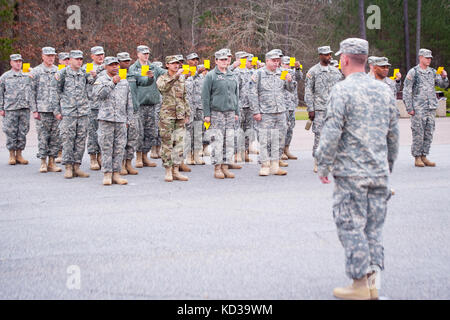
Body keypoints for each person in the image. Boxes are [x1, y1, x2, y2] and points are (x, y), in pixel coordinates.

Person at [316, 38, 400, 300]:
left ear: (344, 60)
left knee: (350, 225)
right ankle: (374, 284)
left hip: (352, 174)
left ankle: (359, 284)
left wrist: (323, 164)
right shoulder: (384, 90)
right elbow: (393, 135)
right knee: (373, 229)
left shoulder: (342, 91)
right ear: (366, 61)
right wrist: (386, 167)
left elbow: (331, 132)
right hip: (378, 174)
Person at [249, 49, 295, 176]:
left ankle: (275, 165)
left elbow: (290, 89)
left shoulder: (282, 72)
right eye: (273, 61)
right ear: (267, 60)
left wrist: (290, 80)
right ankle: (265, 165)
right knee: (265, 140)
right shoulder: (258, 74)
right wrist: (256, 111)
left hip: (280, 111)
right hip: (265, 112)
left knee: (279, 139)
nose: (276, 63)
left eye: (278, 61)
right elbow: (252, 93)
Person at [403, 48, 448, 167]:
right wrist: (409, 108)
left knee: (429, 132)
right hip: (418, 108)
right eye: (427, 57)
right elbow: (407, 91)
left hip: (431, 107)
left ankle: (424, 156)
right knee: (418, 132)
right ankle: (417, 157)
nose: (429, 60)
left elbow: (443, 85)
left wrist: (444, 77)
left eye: (430, 58)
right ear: (420, 58)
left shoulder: (433, 72)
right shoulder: (414, 72)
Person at [93, 56, 134, 185]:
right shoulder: (101, 80)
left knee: (119, 148)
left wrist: (129, 119)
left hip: (121, 120)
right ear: (106, 66)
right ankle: (107, 174)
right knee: (106, 148)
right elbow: (99, 95)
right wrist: (112, 82)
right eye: (112, 65)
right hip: (106, 119)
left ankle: (116, 174)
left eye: (116, 64)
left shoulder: (124, 81)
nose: (115, 67)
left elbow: (129, 102)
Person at [52, 50, 92, 179]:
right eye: (77, 59)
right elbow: (56, 92)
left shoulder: (84, 73)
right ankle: (68, 167)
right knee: (68, 140)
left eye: (81, 59)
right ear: (70, 60)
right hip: (68, 112)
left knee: (80, 140)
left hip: (83, 112)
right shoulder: (62, 73)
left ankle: (77, 167)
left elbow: (91, 85)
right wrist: (57, 111)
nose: (79, 61)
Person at [305, 46, 343, 173]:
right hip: (319, 109)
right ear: (320, 55)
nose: (329, 56)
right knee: (319, 137)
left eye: (330, 54)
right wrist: (311, 109)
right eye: (326, 55)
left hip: (334, 109)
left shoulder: (336, 71)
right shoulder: (313, 72)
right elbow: (308, 91)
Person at [202, 49, 239, 179]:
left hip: (230, 112)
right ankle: (217, 167)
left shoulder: (232, 75)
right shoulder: (211, 76)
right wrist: (207, 114)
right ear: (216, 61)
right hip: (216, 112)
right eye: (221, 60)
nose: (224, 62)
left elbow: (236, 94)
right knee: (217, 140)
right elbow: (205, 96)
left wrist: (236, 111)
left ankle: (225, 166)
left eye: (226, 59)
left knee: (229, 140)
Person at [128, 45, 166, 169]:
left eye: (147, 53)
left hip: (153, 104)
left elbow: (165, 73)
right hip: (140, 105)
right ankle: (138, 156)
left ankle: (145, 155)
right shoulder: (133, 68)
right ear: (138, 54)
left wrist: (175, 71)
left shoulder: (153, 67)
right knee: (139, 132)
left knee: (151, 132)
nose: (146, 56)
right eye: (143, 53)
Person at [156, 55, 191, 182]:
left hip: (180, 115)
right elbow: (163, 88)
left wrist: (187, 113)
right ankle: (168, 170)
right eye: (173, 63)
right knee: (167, 143)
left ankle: (176, 170)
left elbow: (184, 96)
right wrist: (175, 77)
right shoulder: (162, 78)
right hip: (167, 116)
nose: (176, 65)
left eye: (178, 63)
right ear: (167, 65)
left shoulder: (182, 79)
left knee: (179, 143)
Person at [30, 47, 61, 173]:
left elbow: (62, 90)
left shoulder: (59, 71)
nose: (50, 58)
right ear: (42, 56)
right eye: (48, 56)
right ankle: (43, 162)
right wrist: (34, 110)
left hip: (56, 110)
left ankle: (52, 162)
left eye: (52, 56)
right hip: (42, 110)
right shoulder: (36, 71)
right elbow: (31, 92)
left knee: (55, 137)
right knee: (43, 137)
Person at [0, 54, 33, 165]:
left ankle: (19, 154)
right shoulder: (5, 77)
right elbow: (1, 93)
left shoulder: (27, 74)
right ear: (11, 63)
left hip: (24, 108)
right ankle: (11, 155)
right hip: (10, 108)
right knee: (10, 132)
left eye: (20, 61)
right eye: (16, 61)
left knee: (23, 131)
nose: (18, 63)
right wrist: (1, 108)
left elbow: (33, 88)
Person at [116, 52, 139, 176]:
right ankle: (121, 164)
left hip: (133, 110)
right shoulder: (112, 74)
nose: (127, 63)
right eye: (124, 61)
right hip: (119, 112)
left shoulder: (132, 74)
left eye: (128, 61)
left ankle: (129, 162)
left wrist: (150, 78)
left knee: (132, 138)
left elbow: (143, 81)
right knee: (121, 140)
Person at [84, 46, 105, 171]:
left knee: (104, 133)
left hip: (105, 106)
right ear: (92, 56)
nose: (100, 57)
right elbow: (89, 80)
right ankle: (93, 157)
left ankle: (101, 156)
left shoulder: (107, 67)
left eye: (102, 54)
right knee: (92, 133)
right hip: (93, 106)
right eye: (97, 55)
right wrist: (95, 75)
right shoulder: (88, 67)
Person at [280, 55, 303, 162]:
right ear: (281, 64)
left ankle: (287, 148)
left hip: (292, 104)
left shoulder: (292, 72)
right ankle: (280, 151)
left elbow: (300, 77)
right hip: (282, 104)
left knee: (290, 128)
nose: (287, 66)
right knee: (283, 128)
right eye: (285, 64)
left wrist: (298, 68)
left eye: (289, 64)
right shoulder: (279, 73)